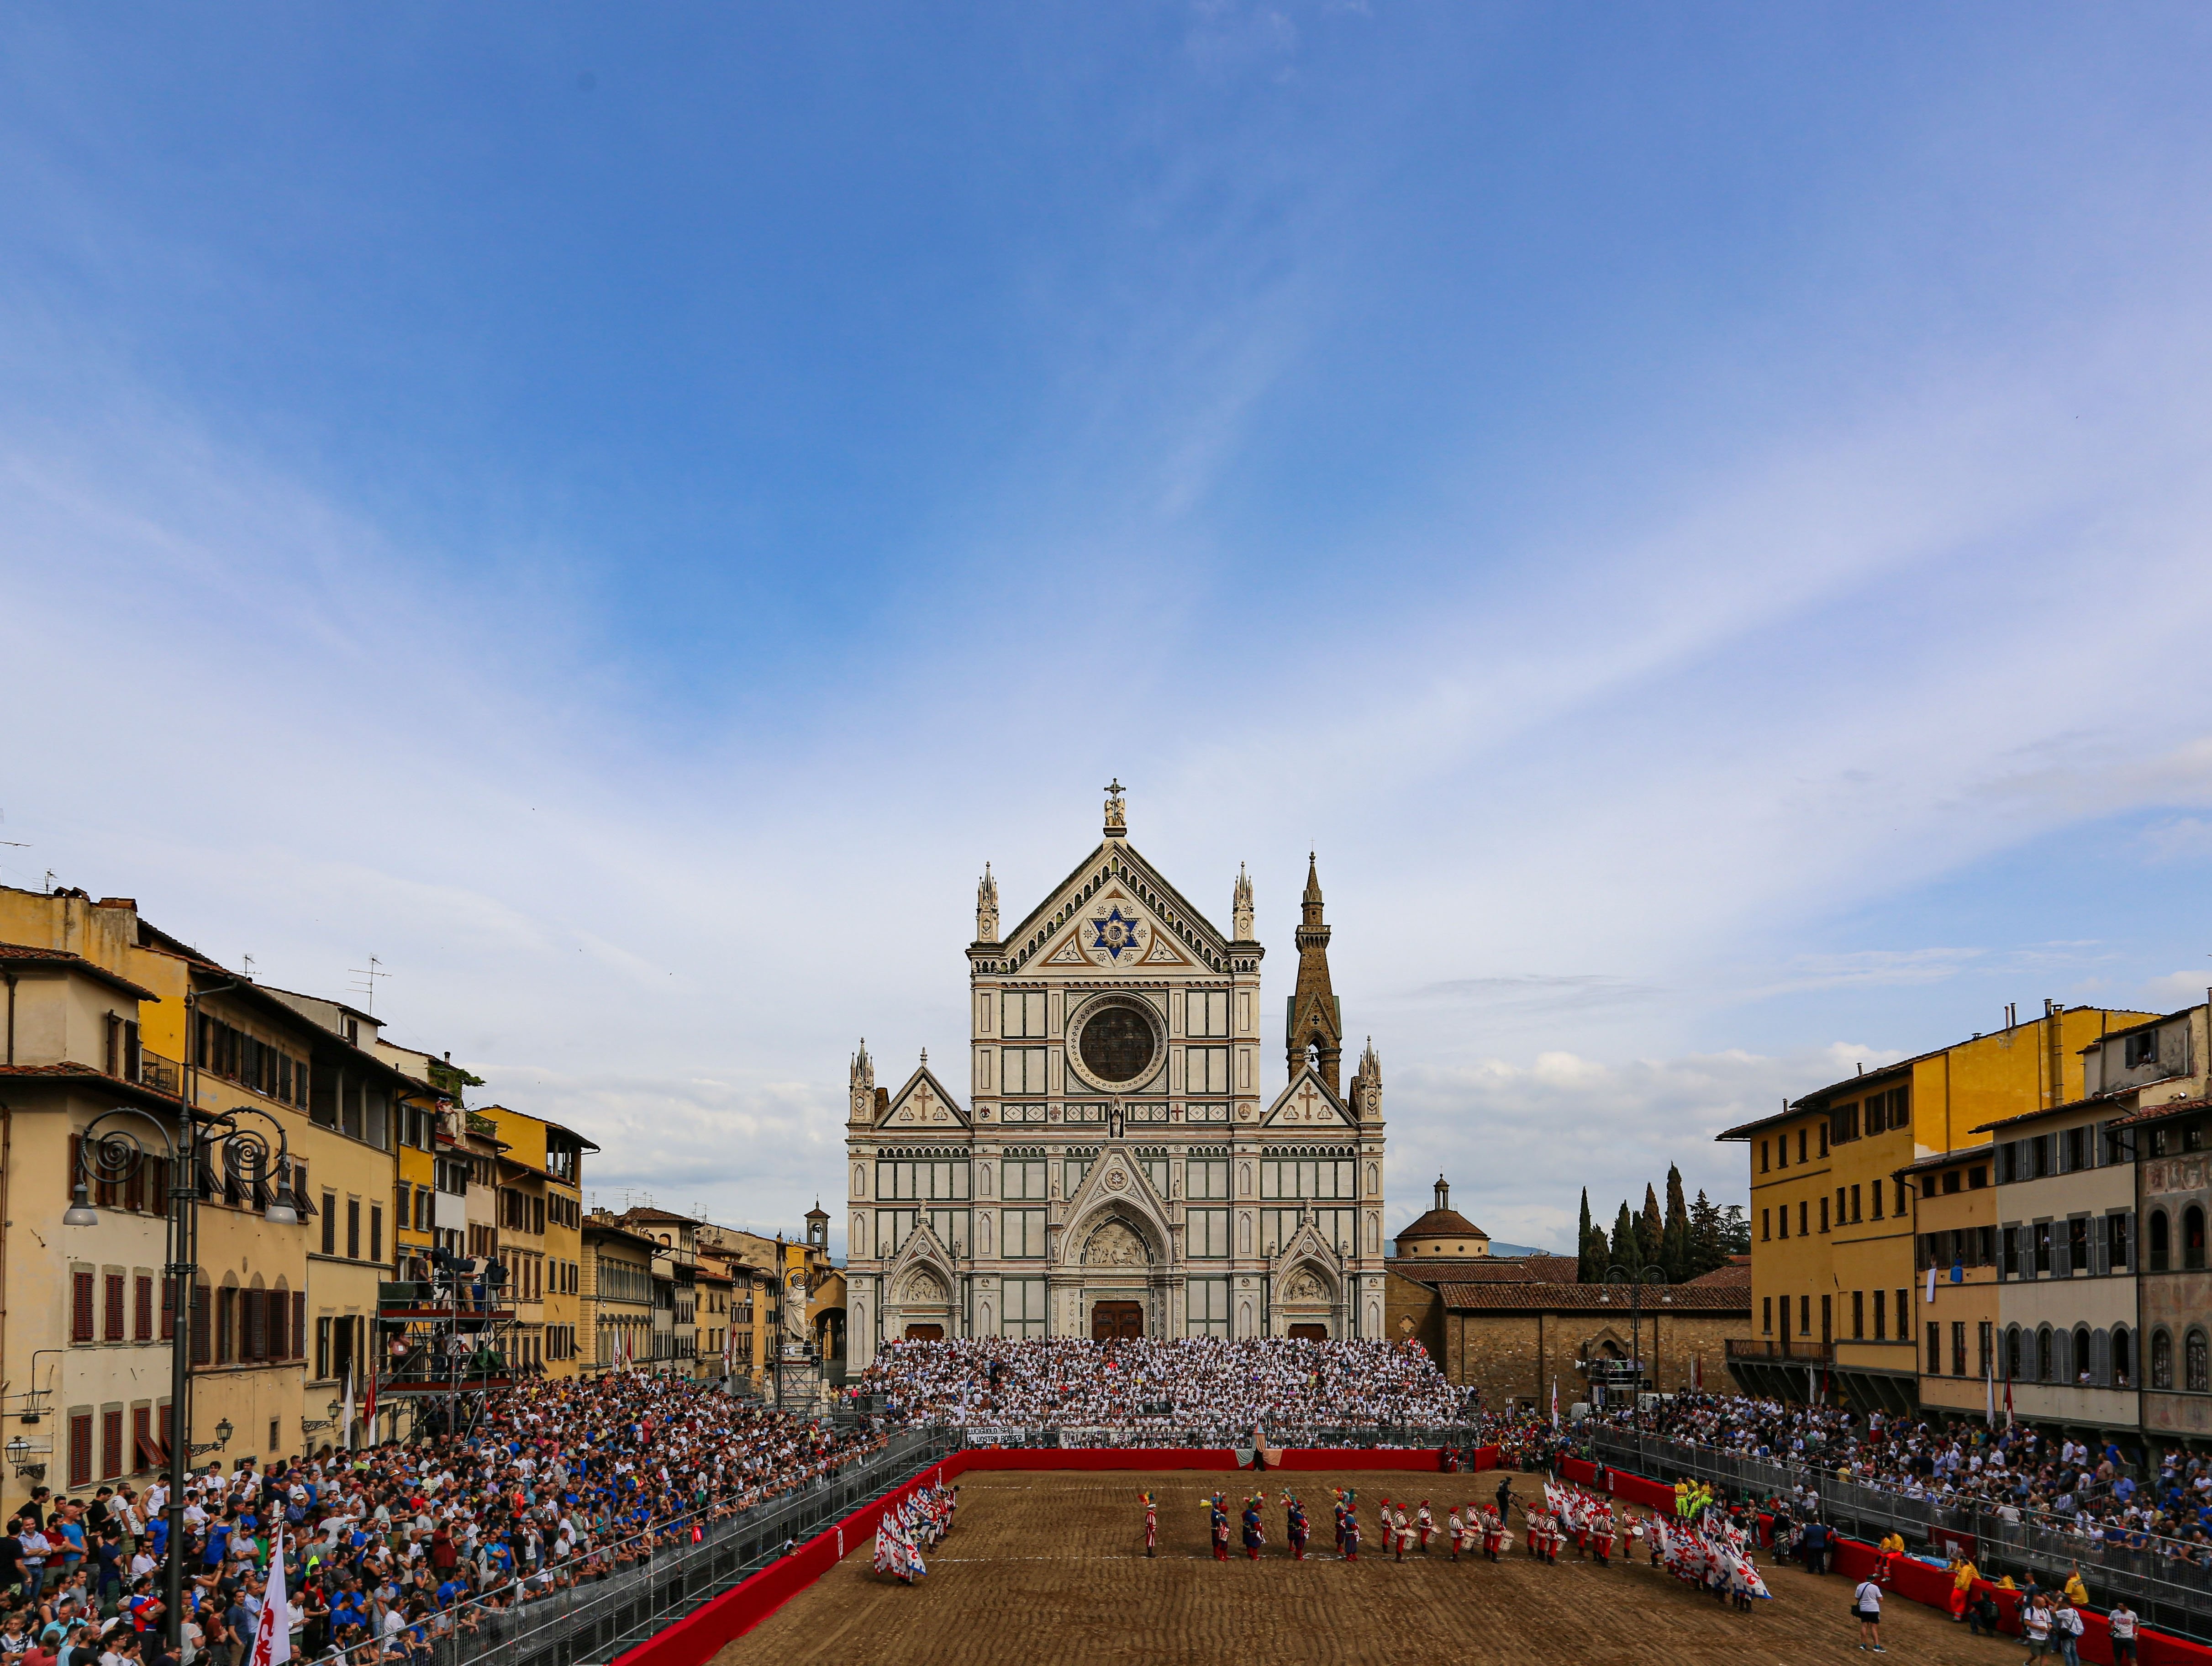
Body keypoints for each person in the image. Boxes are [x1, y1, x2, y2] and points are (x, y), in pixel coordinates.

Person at [1851, 1572, 1885, 1654]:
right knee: (1874, 1628)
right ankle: (1876, 1646)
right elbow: (1881, 1599)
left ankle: (1863, 1644)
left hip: (1864, 1608)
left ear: (1866, 1579)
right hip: (1874, 1609)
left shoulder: (1860, 1586)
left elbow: (1857, 1598)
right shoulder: (1875, 1587)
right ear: (1873, 1580)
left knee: (1864, 1626)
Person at [2107, 1600, 2138, 1665]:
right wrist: (2111, 1626)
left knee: (2133, 1659)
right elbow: (2109, 1623)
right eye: (2118, 1605)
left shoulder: (2132, 1614)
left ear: (2126, 1607)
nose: (2119, 1607)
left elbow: (2137, 1624)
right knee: (2117, 1658)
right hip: (2117, 1638)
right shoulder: (2114, 1613)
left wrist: (2136, 1634)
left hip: (2129, 1638)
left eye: (2121, 1606)